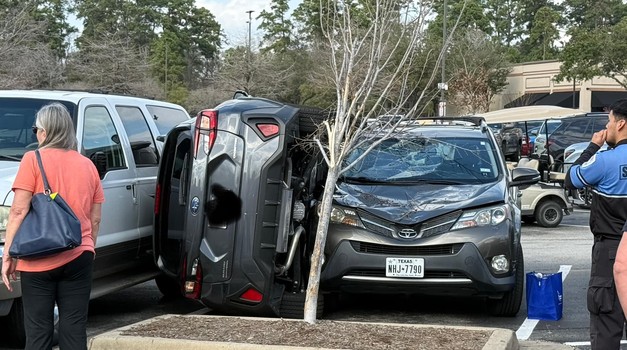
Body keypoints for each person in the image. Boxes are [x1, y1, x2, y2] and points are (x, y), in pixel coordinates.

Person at [1, 103, 104, 350]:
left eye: (36, 128)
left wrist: (9, 254)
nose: (35, 133)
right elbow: (95, 217)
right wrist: (89, 247)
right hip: (79, 255)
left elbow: (17, 210)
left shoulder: (32, 160)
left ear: (45, 132)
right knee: (74, 327)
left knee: (38, 331)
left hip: (37, 259)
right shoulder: (88, 165)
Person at [565, 99, 627, 350]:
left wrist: (592, 146)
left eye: (610, 120)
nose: (607, 126)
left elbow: (572, 179)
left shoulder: (604, 161)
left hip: (610, 251)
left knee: (606, 322)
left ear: (621, 124)